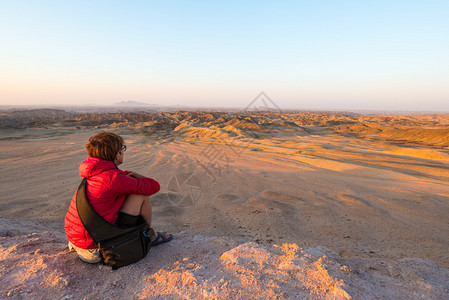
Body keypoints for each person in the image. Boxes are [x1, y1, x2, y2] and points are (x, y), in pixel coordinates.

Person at [64, 131, 172, 263]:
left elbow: (115, 176)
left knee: (125, 193)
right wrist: (134, 174)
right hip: (94, 250)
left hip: (75, 241)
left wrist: (126, 175)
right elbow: (154, 186)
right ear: (117, 155)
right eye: (122, 149)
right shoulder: (113, 179)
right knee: (141, 194)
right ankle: (147, 236)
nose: (123, 152)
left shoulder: (92, 172)